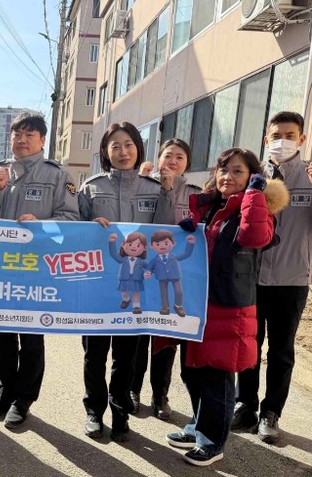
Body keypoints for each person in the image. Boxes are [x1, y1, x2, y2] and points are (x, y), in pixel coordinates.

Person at [232, 112, 312, 443]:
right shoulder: (252, 175)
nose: (282, 141)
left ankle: (271, 413)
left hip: (292, 280)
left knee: (281, 351)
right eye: (276, 136)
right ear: (266, 140)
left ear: (301, 139)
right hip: (251, 278)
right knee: (248, 345)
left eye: (289, 135)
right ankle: (245, 405)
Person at [165, 148, 288, 467]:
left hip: (228, 306)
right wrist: (190, 227)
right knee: (192, 371)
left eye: (237, 171)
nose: (227, 176)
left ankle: (212, 442)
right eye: (223, 169)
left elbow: (254, 236)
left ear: (252, 177)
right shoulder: (210, 207)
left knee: (217, 377)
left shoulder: (256, 209)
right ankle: (198, 426)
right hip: (197, 304)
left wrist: (255, 195)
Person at [0, 112, 79, 428]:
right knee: (2, 333)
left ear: (42, 140)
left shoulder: (58, 175)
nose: (22, 140)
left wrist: (42, 224)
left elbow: (71, 219)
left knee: (32, 336)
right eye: (17, 134)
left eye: (29, 135)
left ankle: (23, 400)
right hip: (0, 268)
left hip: (37, 270)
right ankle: (5, 391)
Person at [77, 122, 175, 441]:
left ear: (138, 148)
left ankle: (120, 413)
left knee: (126, 357)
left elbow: (167, 232)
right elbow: (73, 231)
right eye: (115, 146)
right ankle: (94, 411)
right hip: (97, 286)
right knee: (94, 355)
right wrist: (90, 226)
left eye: (129, 144)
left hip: (137, 288)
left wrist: (168, 193)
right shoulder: (90, 188)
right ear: (105, 152)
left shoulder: (154, 188)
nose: (123, 152)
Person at [132, 138, 201, 421]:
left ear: (187, 163)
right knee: (137, 337)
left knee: (164, 339)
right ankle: (132, 391)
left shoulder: (197, 194)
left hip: (173, 276)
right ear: (158, 158)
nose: (173, 161)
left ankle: (160, 395)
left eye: (180, 157)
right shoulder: (144, 188)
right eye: (168, 155)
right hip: (141, 272)